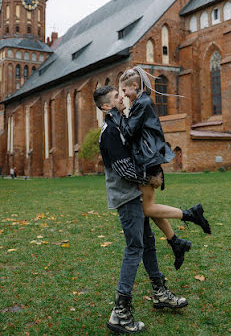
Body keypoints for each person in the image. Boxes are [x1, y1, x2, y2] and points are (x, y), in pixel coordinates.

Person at [93, 85, 189, 334]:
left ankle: (160, 293)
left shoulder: (120, 124)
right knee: (135, 248)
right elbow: (124, 170)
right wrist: (149, 178)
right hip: (126, 198)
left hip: (135, 195)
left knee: (147, 244)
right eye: (117, 96)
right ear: (106, 106)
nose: (122, 96)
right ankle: (120, 313)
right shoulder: (110, 132)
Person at [110, 67, 211, 270]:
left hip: (148, 164)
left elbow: (129, 132)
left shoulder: (142, 103)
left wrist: (117, 113)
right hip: (148, 162)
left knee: (147, 208)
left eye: (125, 90)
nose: (123, 95)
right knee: (150, 208)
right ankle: (176, 242)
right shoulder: (141, 102)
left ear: (134, 86)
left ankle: (191, 214)